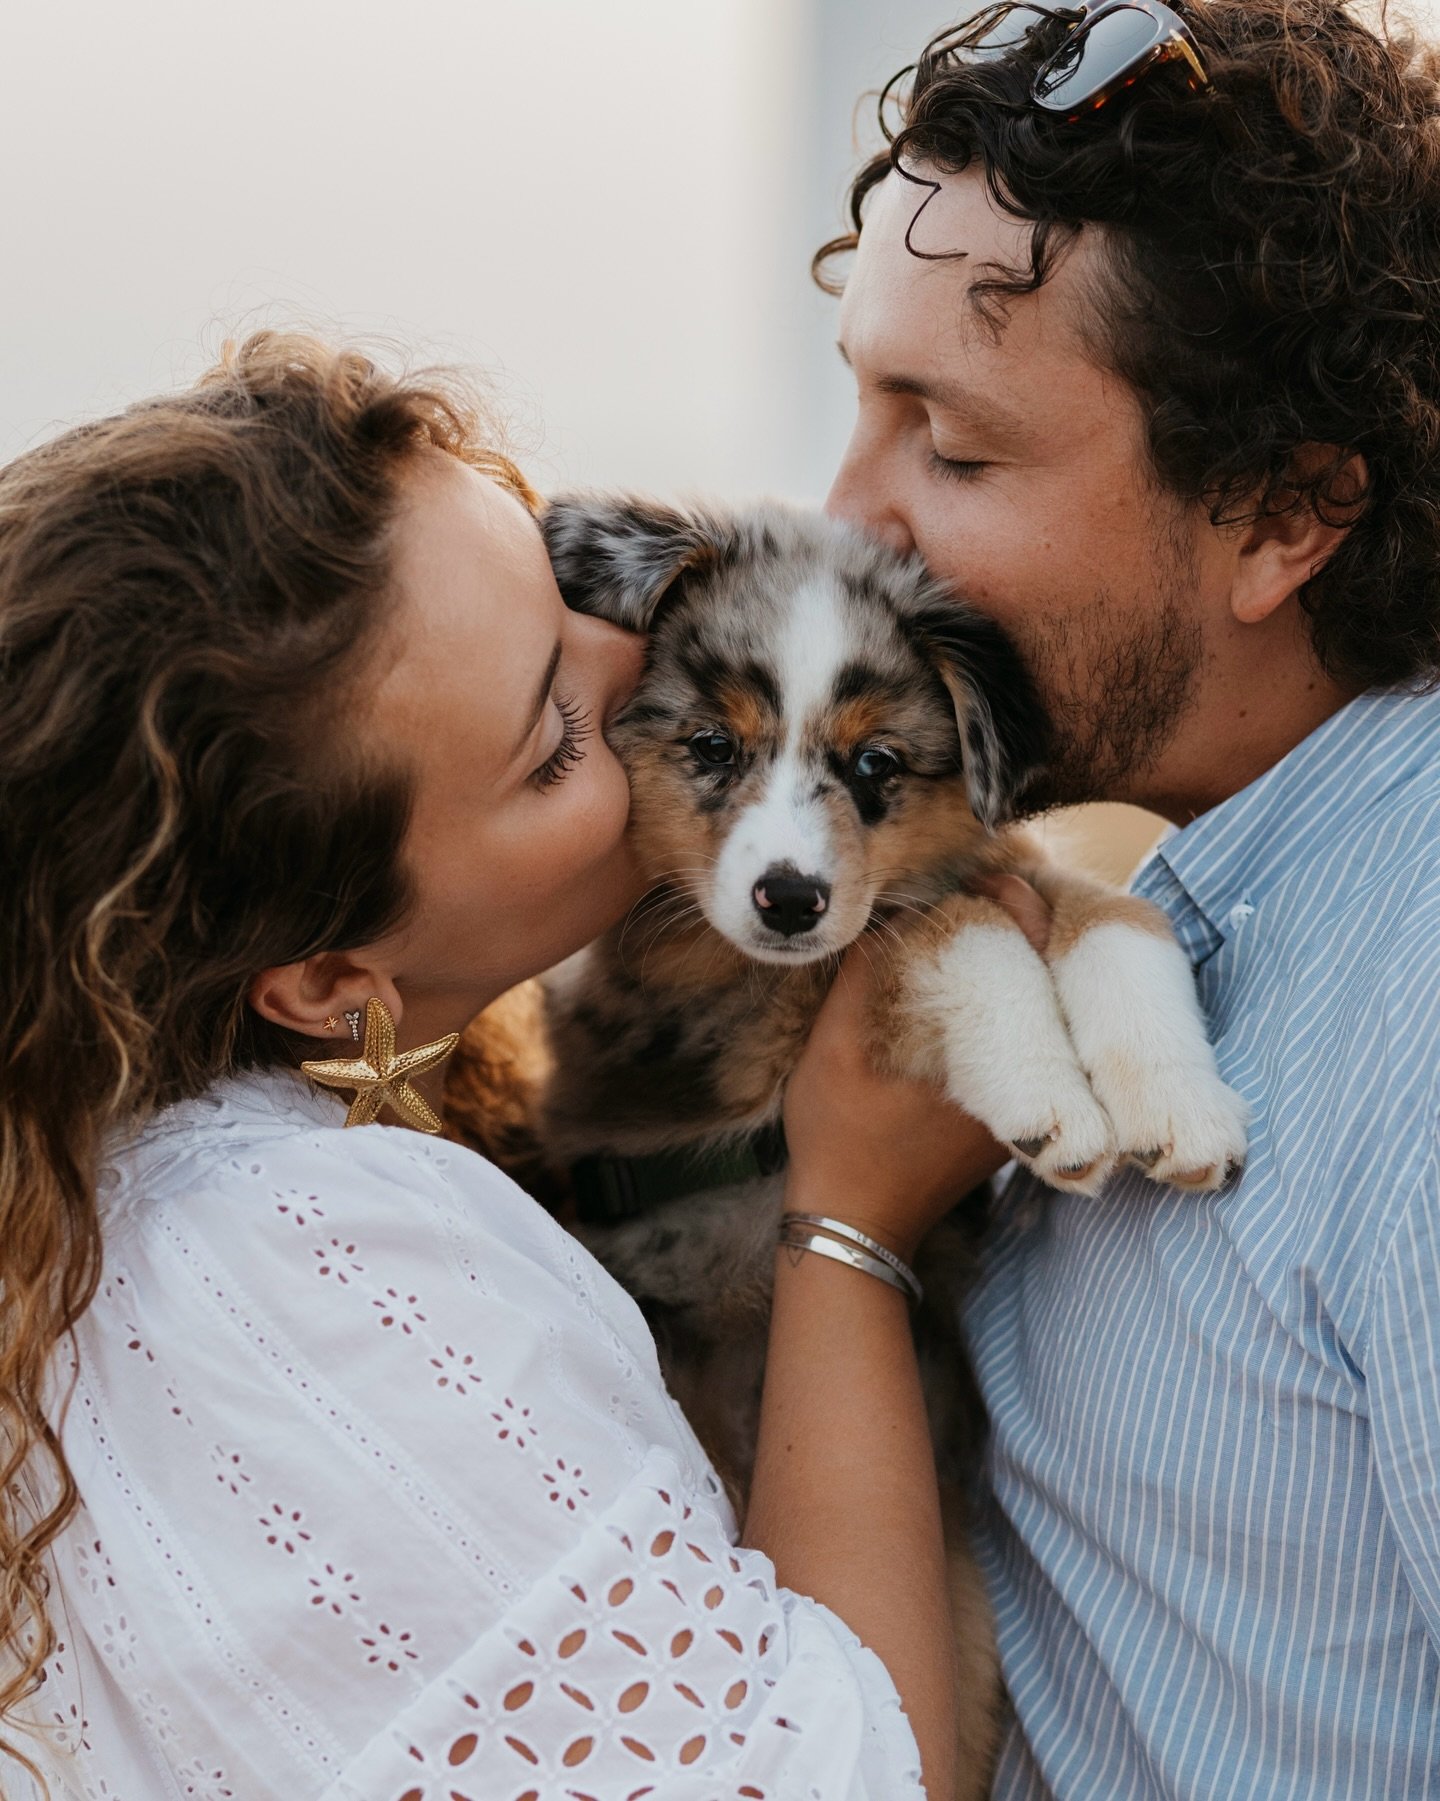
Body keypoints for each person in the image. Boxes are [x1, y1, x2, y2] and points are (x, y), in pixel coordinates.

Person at [0, 334, 1020, 1798]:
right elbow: (843, 1775)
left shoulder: (129, 1216)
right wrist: (853, 1222)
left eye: (570, 595)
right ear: (331, 981)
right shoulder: (297, 1275)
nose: (645, 659)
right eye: (553, 738)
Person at [820, 0, 1440, 1793]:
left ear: (1280, 518)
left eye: (955, 450)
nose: (840, 517)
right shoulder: (1193, 901)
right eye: (860, 401)